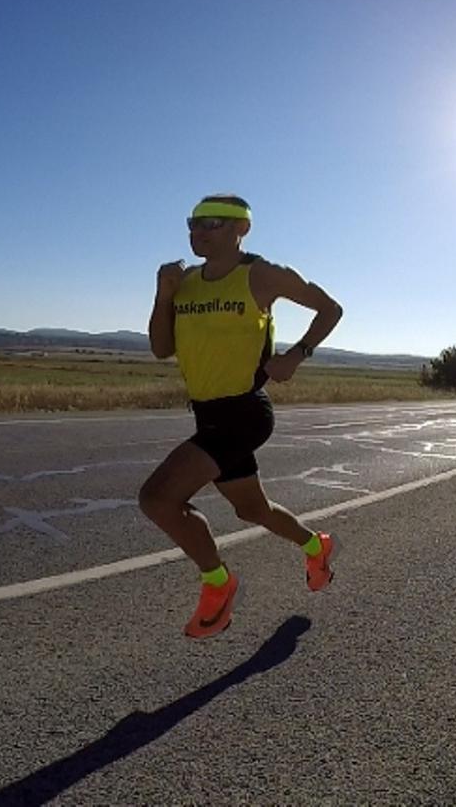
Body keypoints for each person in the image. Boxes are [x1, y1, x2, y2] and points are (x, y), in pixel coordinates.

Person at [141, 193, 343, 638]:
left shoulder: (261, 274)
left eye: (211, 223)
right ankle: (316, 545)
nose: (198, 231)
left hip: (245, 413)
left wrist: (297, 355)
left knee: (158, 498)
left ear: (240, 229)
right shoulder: (186, 281)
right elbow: (161, 348)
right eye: (192, 223)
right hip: (208, 415)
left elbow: (330, 308)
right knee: (253, 511)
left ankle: (219, 583)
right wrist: (164, 293)